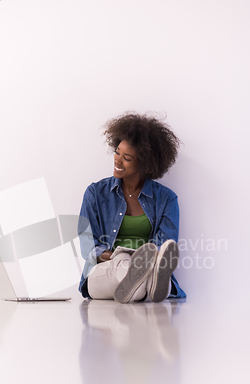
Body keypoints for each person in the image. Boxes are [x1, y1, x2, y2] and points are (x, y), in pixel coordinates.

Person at [78, 112, 186, 303]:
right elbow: (89, 248)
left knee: (144, 276)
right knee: (125, 266)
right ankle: (152, 284)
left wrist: (148, 261)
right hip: (105, 270)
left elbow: (165, 248)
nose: (117, 160)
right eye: (117, 152)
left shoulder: (166, 199)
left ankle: (149, 280)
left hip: (148, 267)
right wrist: (122, 256)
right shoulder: (95, 194)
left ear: (145, 163)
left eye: (127, 157)